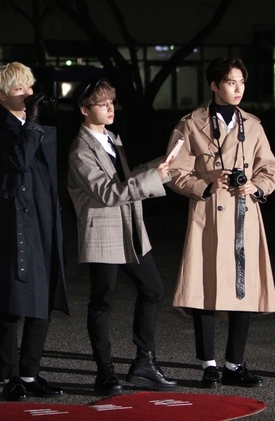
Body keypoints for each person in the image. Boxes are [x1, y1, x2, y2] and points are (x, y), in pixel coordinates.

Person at [167, 57, 275, 388]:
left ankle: (234, 364)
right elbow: (174, 170)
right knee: (204, 287)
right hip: (208, 215)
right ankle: (209, 365)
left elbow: (269, 168)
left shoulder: (252, 125)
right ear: (214, 86)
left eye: (242, 82)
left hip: (245, 214)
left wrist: (255, 185)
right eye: (231, 82)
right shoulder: (190, 124)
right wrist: (206, 182)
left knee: (243, 287)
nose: (238, 88)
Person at [67, 78, 178, 396]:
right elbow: (107, 192)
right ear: (84, 110)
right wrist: (153, 178)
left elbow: (125, 179)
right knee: (102, 300)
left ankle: (144, 363)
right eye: (102, 104)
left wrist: (159, 167)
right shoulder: (80, 151)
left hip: (129, 228)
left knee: (153, 289)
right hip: (102, 231)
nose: (110, 108)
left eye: (111, 102)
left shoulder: (112, 139)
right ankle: (105, 372)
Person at [0, 62, 69, 401]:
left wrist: (34, 123)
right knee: (12, 297)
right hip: (13, 219)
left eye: (30, 86)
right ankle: (10, 375)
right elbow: (17, 162)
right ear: (1, 95)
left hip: (43, 217)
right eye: (19, 88)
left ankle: (30, 373)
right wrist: (33, 124)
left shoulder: (35, 124)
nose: (28, 93)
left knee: (43, 296)